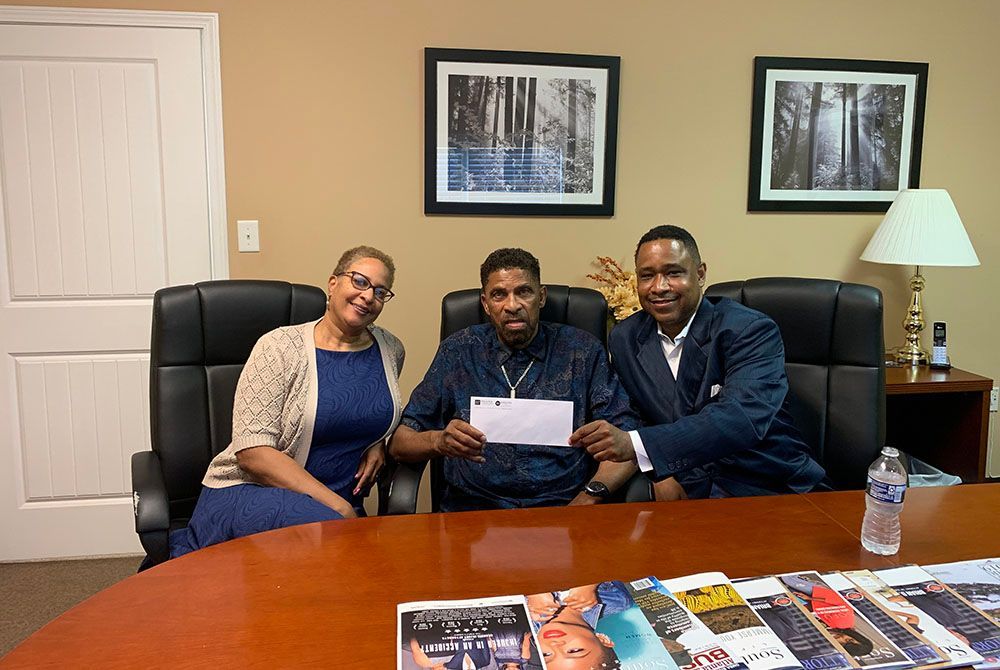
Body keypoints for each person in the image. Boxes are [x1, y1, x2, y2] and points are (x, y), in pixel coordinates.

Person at [168, 245, 404, 558]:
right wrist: (338, 506)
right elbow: (253, 453)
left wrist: (378, 441)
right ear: (333, 283)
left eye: (380, 290)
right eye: (359, 281)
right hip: (253, 491)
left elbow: (370, 409)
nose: (367, 295)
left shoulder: (390, 349)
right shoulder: (278, 347)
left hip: (329, 503)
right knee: (344, 550)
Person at [569, 225, 826, 500]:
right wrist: (660, 472)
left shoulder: (748, 330)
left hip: (767, 483)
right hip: (689, 487)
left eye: (673, 273)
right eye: (647, 276)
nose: (659, 287)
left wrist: (636, 445)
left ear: (700, 274)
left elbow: (740, 419)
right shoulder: (626, 337)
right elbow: (638, 413)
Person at [389, 247, 639, 511]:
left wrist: (587, 500)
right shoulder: (459, 350)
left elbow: (627, 442)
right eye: (499, 295)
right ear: (485, 303)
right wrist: (438, 441)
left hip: (564, 508)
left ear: (540, 297)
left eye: (524, 292)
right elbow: (400, 442)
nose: (512, 305)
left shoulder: (583, 351)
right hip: (473, 510)